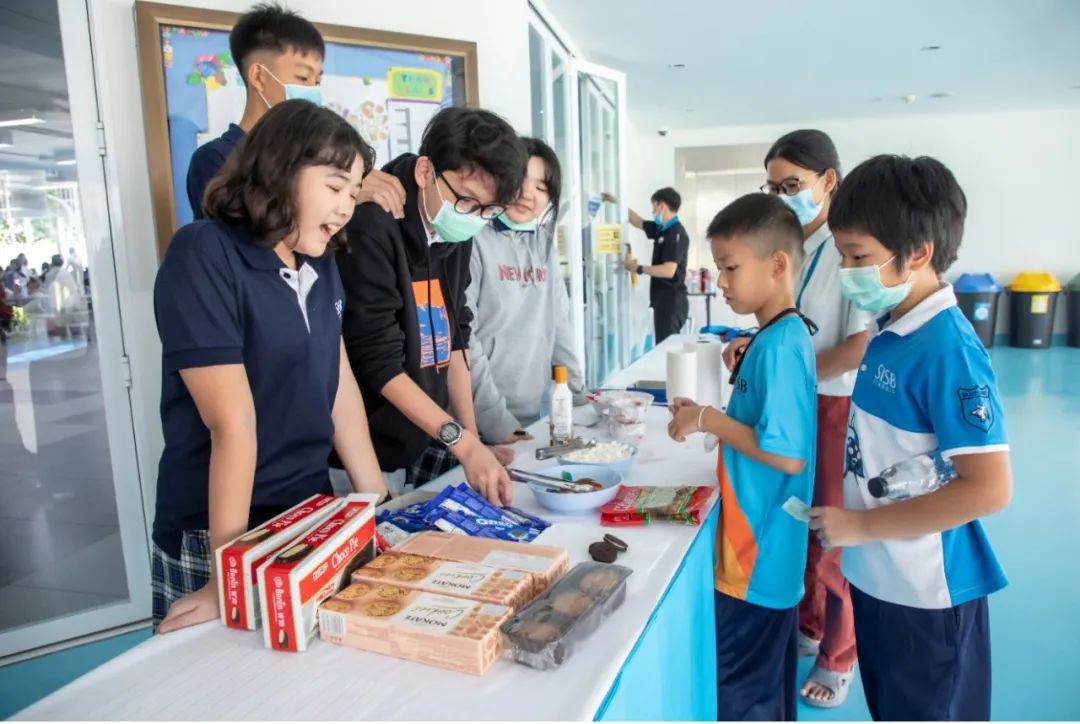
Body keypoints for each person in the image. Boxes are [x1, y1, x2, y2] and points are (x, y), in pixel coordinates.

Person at [152, 99, 388, 633]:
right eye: (333, 187)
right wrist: (226, 573)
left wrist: (374, 504)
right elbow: (229, 423)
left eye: (353, 192)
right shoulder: (205, 253)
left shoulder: (320, 264)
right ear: (278, 170)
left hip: (307, 512)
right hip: (221, 527)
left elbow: (340, 387)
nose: (347, 206)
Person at [810, 155, 1012, 721]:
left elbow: (989, 490)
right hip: (877, 580)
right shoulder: (889, 330)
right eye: (842, 254)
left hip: (927, 595)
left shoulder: (947, 349)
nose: (848, 271)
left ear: (918, 252)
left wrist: (861, 525)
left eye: (858, 257)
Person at [722, 129, 870, 707]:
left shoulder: (847, 252)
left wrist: (788, 374)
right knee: (798, 520)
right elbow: (785, 330)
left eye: (794, 184)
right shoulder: (792, 247)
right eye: (774, 186)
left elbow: (855, 346)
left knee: (831, 532)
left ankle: (840, 654)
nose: (784, 196)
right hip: (800, 403)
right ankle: (808, 624)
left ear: (828, 181)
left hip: (835, 406)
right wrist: (751, 347)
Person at [667, 193, 817, 721]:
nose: (722, 283)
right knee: (769, 686)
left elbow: (787, 454)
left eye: (730, 268)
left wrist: (708, 420)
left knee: (741, 690)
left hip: (755, 555)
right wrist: (706, 411)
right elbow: (762, 427)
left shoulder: (779, 346)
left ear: (777, 265)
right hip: (766, 547)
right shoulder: (777, 335)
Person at [336, 107, 526, 502]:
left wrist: (472, 440)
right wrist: (463, 444)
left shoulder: (453, 227)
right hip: (358, 457)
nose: (474, 219)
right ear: (425, 172)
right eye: (469, 202)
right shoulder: (372, 225)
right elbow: (377, 360)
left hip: (416, 441)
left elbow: (456, 333)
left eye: (489, 212)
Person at [466, 138, 586, 446]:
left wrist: (578, 398)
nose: (527, 193)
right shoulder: (473, 238)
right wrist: (497, 421)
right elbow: (464, 339)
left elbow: (559, 325)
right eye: (520, 178)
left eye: (542, 187)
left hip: (530, 412)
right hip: (476, 419)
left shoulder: (543, 244)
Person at [624, 187, 690, 343]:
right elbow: (638, 222)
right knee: (664, 346)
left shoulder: (676, 233)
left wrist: (638, 268)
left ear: (662, 206)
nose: (653, 211)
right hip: (663, 301)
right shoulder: (662, 230)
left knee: (667, 349)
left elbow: (669, 270)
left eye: (654, 206)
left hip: (671, 302)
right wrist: (618, 202)